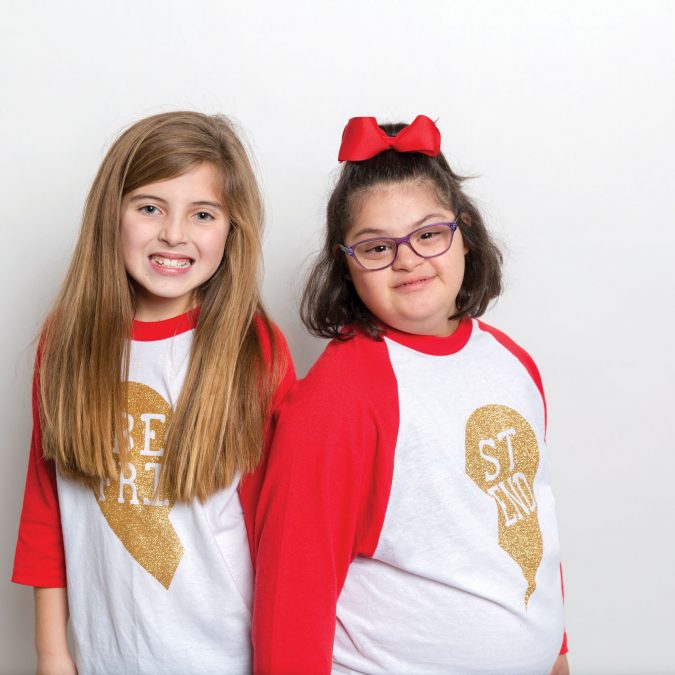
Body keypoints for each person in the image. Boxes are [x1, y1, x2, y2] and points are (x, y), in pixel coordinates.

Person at [252, 115, 568, 674]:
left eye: (428, 234)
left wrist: (553, 651)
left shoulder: (512, 363)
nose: (407, 259)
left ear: (464, 234)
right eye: (376, 247)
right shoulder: (343, 393)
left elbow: (529, 523)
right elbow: (293, 583)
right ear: (346, 268)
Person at [12, 111, 295, 675]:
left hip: (228, 658)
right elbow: (46, 509)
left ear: (231, 229)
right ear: (110, 215)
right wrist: (52, 654)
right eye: (149, 207)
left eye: (203, 213)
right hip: (102, 659)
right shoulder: (68, 340)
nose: (174, 233)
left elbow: (285, 534)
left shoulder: (253, 350)